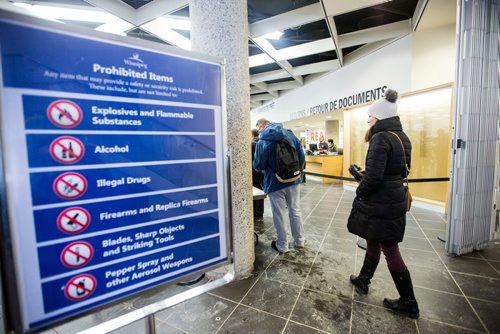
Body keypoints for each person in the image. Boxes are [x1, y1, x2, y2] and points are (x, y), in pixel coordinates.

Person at [347, 89, 419, 319]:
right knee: (373, 239)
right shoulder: (401, 136)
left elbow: (376, 178)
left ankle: (409, 302)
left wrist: (360, 186)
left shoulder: (380, 138)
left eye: (370, 116)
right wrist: (369, 173)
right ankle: (363, 280)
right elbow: (395, 169)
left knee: (389, 249)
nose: (368, 119)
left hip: (380, 202)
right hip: (392, 197)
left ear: (378, 117)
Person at [253, 118, 305, 254]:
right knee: (295, 210)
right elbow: (301, 155)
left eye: (258, 128)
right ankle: (299, 241)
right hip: (294, 180)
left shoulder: (263, 141)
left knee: (279, 213)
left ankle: (282, 245)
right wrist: (294, 170)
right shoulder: (289, 134)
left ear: (261, 126)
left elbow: (258, 165)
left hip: (274, 182)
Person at [251, 128, 264, 222]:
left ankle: (255, 213)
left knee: (255, 192)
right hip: (260, 171)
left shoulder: (252, 144)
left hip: (253, 171)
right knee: (259, 190)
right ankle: (260, 212)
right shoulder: (261, 142)